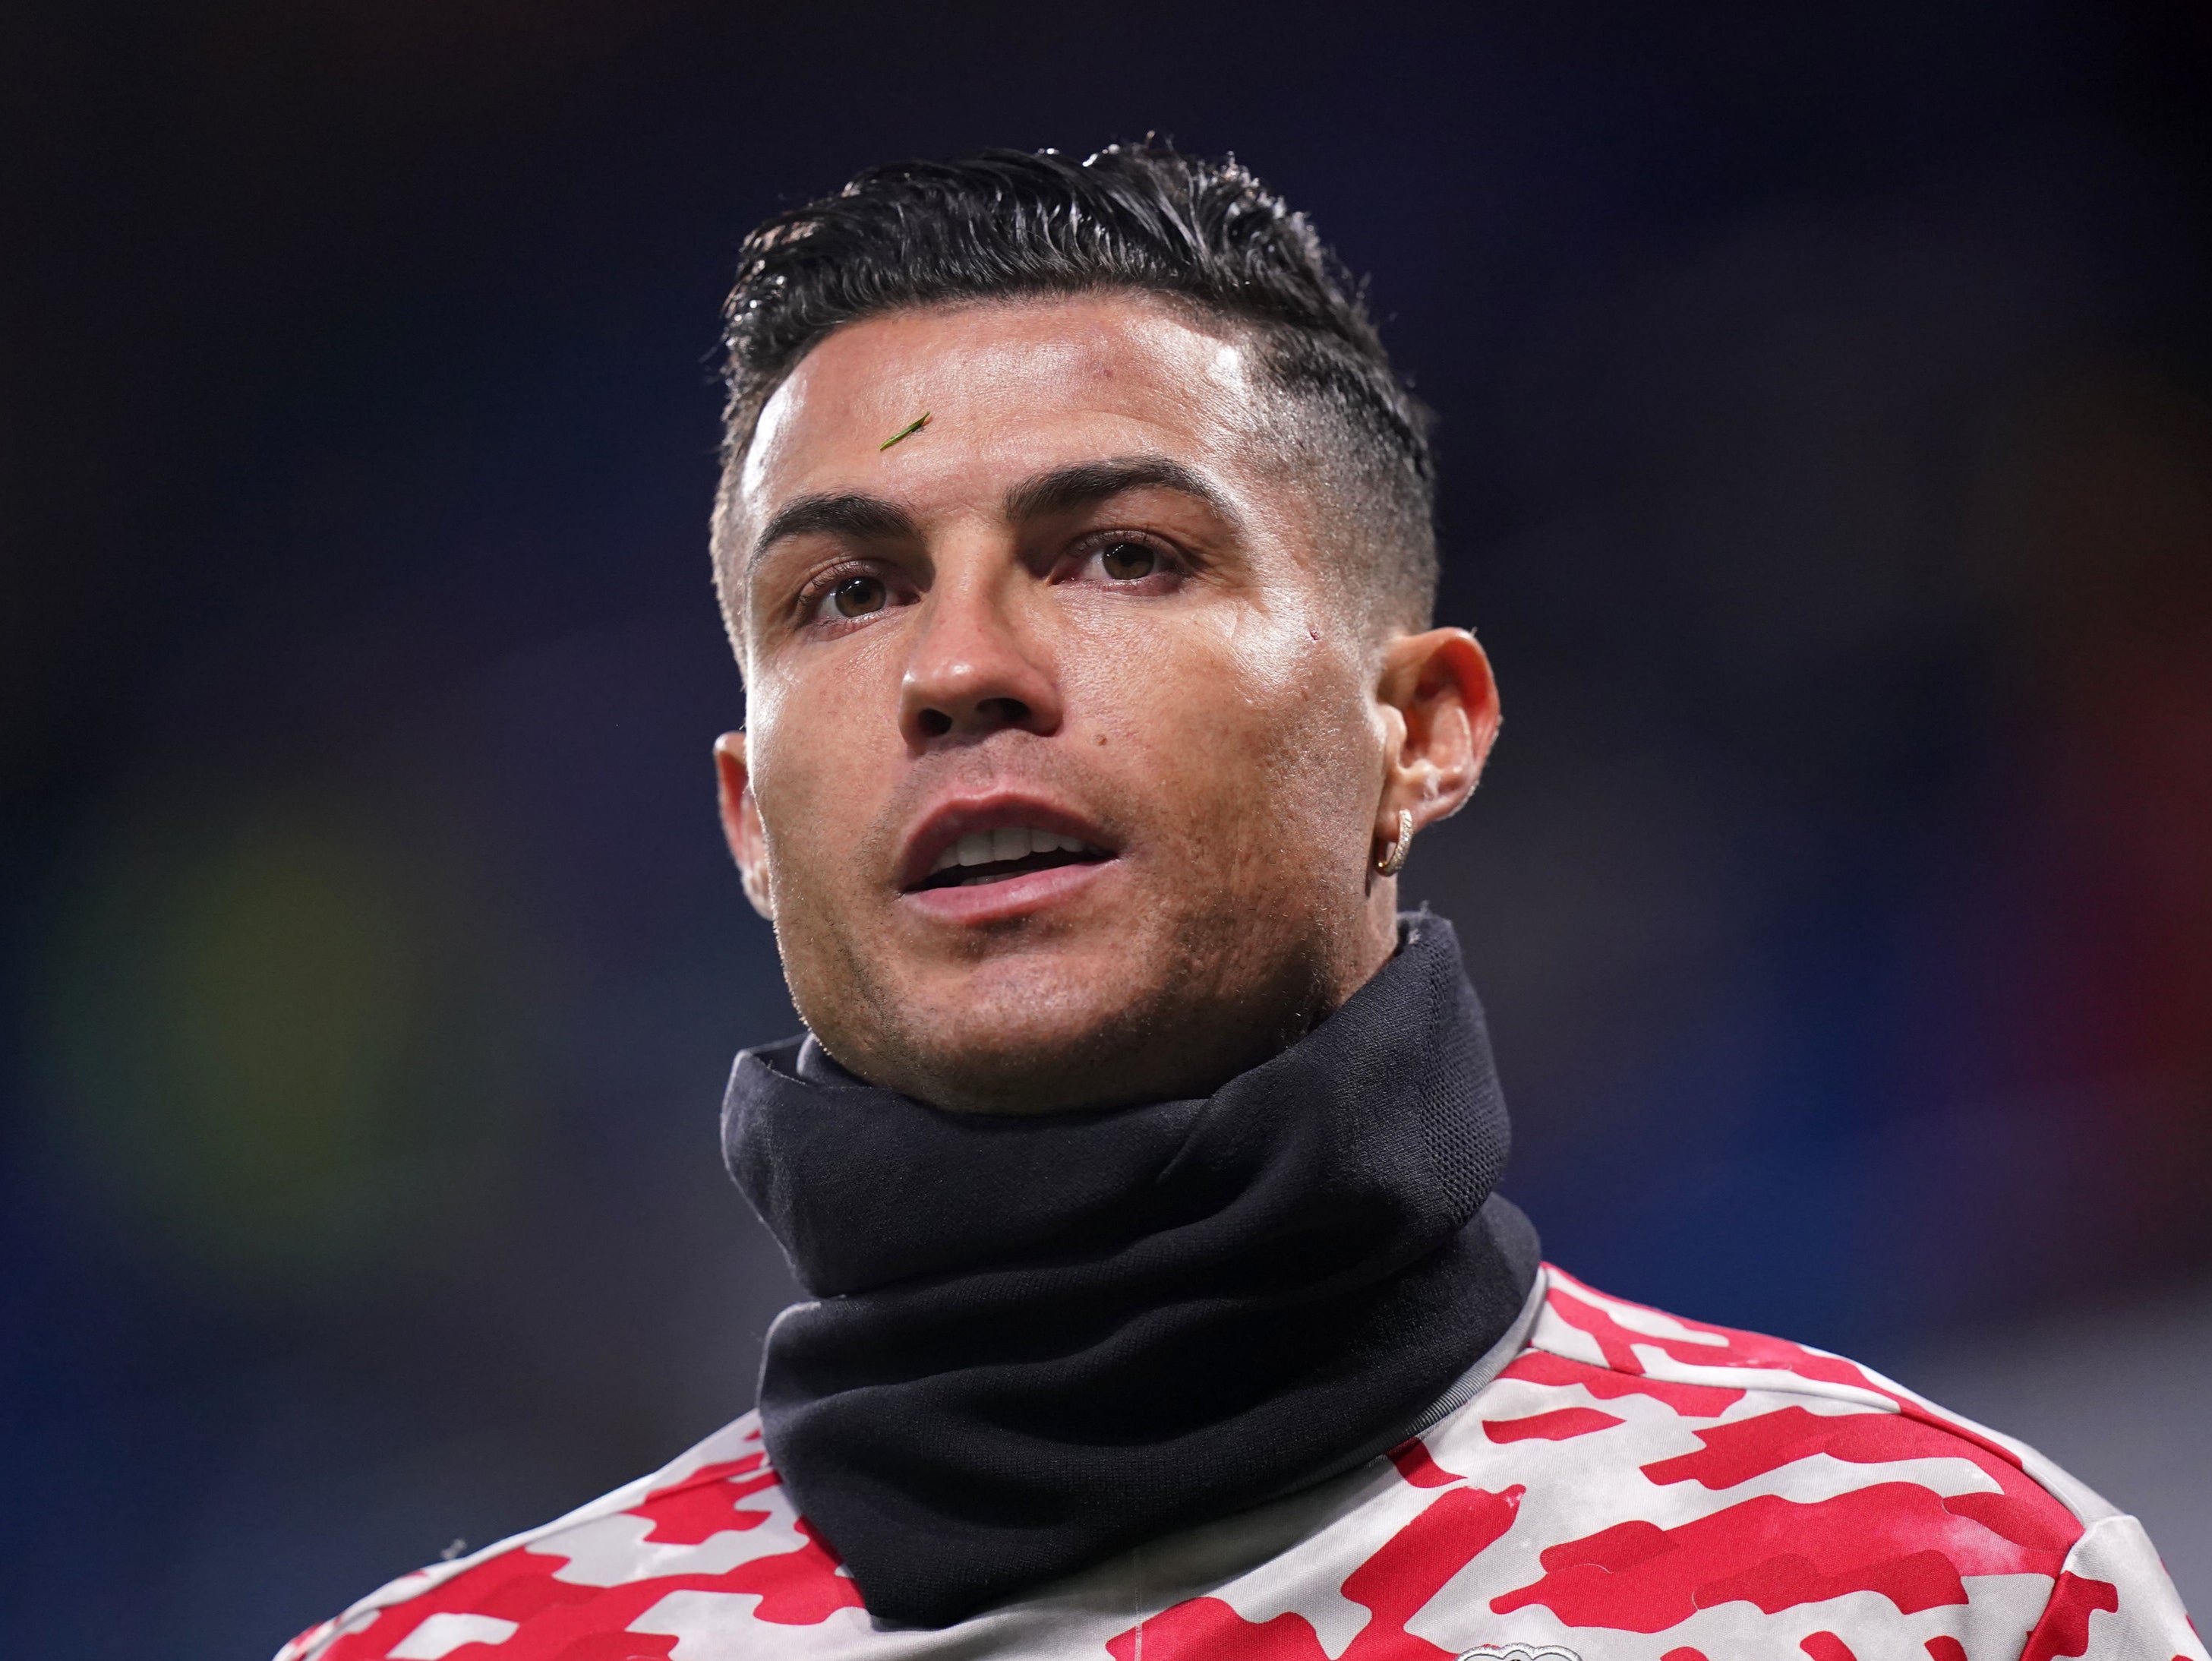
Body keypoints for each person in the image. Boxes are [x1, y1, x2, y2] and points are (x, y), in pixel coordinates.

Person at [279, 144, 2201, 1661]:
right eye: (844, 595)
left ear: (1422, 730)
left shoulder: (1945, 1592)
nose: (957, 667)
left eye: (1116, 552)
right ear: (748, 820)